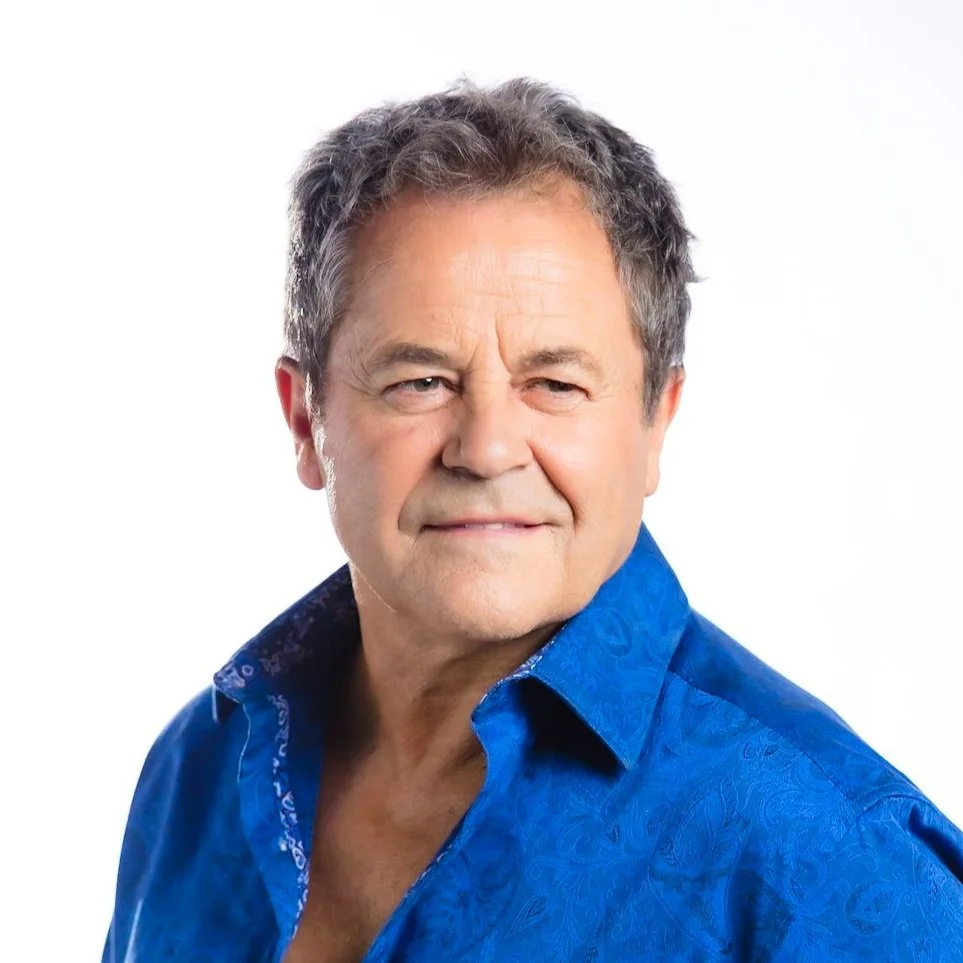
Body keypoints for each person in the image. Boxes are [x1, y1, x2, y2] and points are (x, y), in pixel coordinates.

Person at [103, 78, 963, 962]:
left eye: (554, 384)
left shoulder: (827, 852)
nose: (485, 449)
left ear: (655, 422)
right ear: (303, 420)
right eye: (419, 381)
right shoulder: (198, 772)